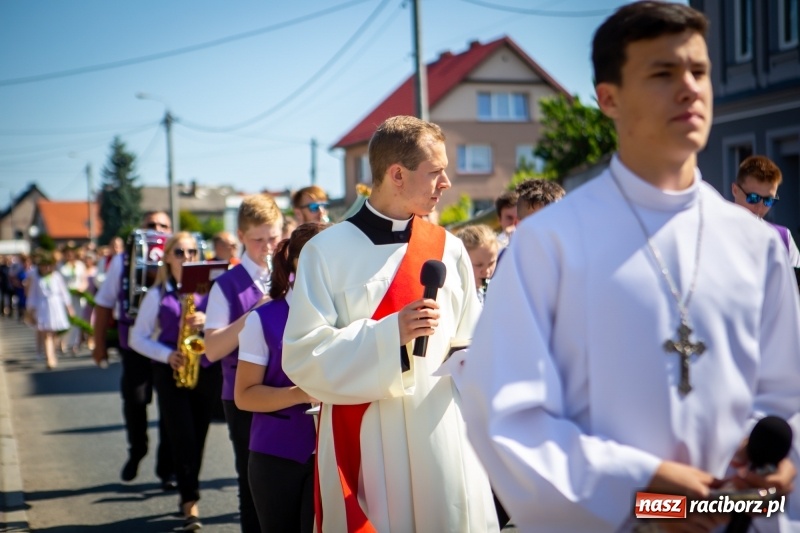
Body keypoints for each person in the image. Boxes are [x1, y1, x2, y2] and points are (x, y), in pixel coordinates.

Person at [458, 3, 800, 532]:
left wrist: (776, 461)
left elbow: (785, 394)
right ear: (609, 99)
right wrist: (643, 487)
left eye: (699, 71)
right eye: (663, 73)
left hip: (734, 515)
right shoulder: (550, 243)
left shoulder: (758, 245)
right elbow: (507, 414)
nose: (689, 88)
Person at [283, 115, 498, 532]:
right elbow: (303, 355)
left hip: (440, 431)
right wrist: (389, 334)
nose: (446, 183)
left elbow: (471, 339)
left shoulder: (449, 249)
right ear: (397, 174)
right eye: (435, 172)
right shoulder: (325, 252)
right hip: (367, 439)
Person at [235, 222, 329, 533]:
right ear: (297, 263)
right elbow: (244, 395)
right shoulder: (262, 319)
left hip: (337, 452)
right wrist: (300, 393)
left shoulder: (349, 314)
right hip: (277, 456)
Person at [204, 194, 283, 533]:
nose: (268, 247)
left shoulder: (293, 273)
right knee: (253, 486)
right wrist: (255, 313)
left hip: (288, 390)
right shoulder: (226, 285)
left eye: (273, 237)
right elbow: (212, 349)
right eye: (257, 240)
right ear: (240, 236)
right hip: (244, 396)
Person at [130, 232, 219, 532]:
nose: (186, 258)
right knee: (183, 438)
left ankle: (189, 488)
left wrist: (208, 320)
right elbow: (137, 338)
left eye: (192, 252)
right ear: (167, 256)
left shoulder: (212, 290)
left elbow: (228, 324)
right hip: (170, 371)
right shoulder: (157, 294)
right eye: (179, 252)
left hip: (205, 369)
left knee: (199, 436)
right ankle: (189, 500)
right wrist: (167, 355)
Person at [93, 211, 175, 488]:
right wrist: (99, 344)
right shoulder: (122, 259)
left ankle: (167, 469)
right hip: (134, 345)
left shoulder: (180, 255)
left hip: (170, 345)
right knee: (136, 400)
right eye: (151, 224)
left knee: (170, 406)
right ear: (141, 228)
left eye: (163, 225)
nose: (157, 229)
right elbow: (104, 303)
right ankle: (137, 450)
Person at [732, 155, 800, 267]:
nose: (760, 206)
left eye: (768, 200)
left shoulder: (783, 237)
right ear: (735, 190)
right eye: (754, 198)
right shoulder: (713, 232)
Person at [26, 250, 74, 370]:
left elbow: (63, 293)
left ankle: (53, 353)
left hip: (55, 307)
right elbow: (33, 295)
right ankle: (49, 358)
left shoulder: (56, 276)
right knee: (46, 333)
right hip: (43, 307)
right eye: (43, 265)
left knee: (54, 333)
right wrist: (31, 311)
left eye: (48, 265)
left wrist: (69, 307)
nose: (45, 268)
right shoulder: (36, 278)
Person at [455, 224, 499, 305]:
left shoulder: (494, 289)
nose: (486, 271)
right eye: (479, 265)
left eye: (491, 263)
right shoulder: (457, 294)